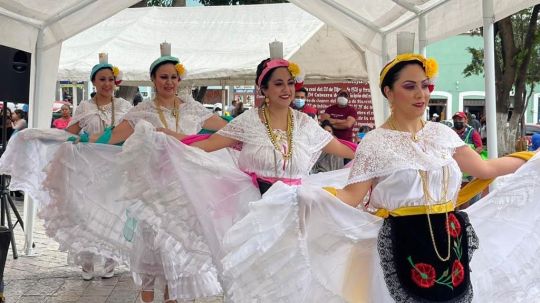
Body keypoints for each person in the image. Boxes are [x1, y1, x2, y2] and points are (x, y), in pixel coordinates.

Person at [219, 53, 540, 302]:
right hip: (402, 244)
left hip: (449, 244)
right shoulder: (375, 143)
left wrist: (533, 158)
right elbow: (351, 198)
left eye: (425, 86)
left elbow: (486, 170)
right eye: (409, 86)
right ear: (388, 91)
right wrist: (304, 196)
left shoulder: (443, 134)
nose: (421, 94)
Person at [115, 52, 356, 302]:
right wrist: (167, 138)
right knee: (256, 275)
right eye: (278, 83)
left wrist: (375, 152)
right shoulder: (249, 122)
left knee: (296, 275)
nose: (286, 89)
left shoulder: (305, 124)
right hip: (255, 208)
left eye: (289, 83)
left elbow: (343, 147)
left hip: (296, 209)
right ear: (263, 88)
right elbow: (206, 144)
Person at [81, 43, 228, 303]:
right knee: (152, 251)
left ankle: (172, 298)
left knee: (178, 252)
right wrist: (80, 141)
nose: (169, 82)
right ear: (153, 79)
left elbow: (228, 130)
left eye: (173, 77)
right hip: (153, 190)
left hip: (186, 191)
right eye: (163, 77)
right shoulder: (143, 111)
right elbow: (113, 136)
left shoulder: (193, 109)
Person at [0, 53, 133, 282]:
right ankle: (88, 259)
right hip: (89, 168)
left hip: (117, 168)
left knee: (115, 210)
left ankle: (111, 258)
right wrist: (39, 135)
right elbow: (68, 134)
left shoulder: (124, 106)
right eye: (102, 79)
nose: (107, 84)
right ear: (94, 82)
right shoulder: (84, 107)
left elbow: (133, 133)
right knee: (86, 213)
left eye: (110, 79)